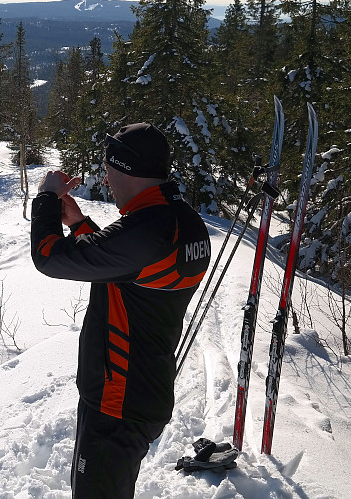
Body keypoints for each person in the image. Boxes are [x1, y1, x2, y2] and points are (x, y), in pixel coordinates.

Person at [30, 122, 211, 498]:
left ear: (124, 170)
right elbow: (125, 272)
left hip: (117, 403)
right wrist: (79, 223)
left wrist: (46, 199)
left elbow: (48, 257)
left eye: (109, 171)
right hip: (145, 390)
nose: (107, 181)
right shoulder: (183, 220)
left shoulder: (146, 230)